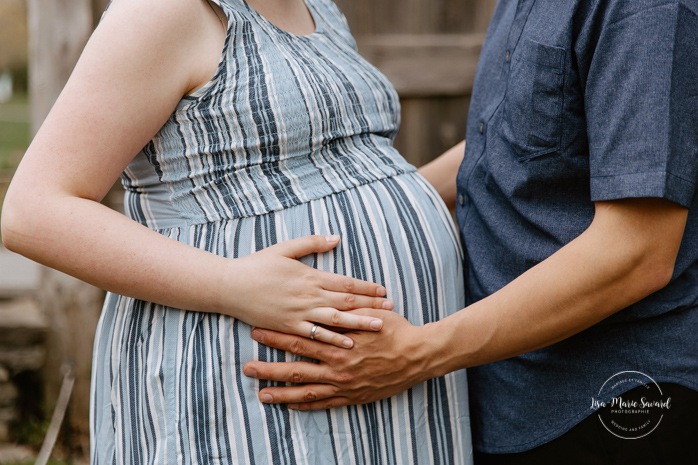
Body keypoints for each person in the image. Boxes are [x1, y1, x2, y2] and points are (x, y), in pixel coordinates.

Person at [0, 0, 474, 463]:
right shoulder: (167, 11)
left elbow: (346, 177)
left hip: (382, 382)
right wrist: (232, 284)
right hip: (245, 373)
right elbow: (34, 212)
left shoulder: (317, 7)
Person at [243, 0, 698, 463]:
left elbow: (637, 251)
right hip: (506, 389)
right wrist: (374, 207)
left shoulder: (648, 10)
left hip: (613, 401)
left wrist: (417, 353)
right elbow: (511, 139)